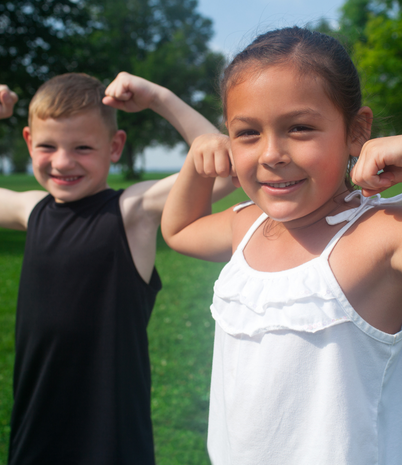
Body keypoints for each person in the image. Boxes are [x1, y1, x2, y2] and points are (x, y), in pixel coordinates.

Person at [161, 26, 402, 464]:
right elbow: (180, 230)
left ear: (357, 131)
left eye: (300, 127)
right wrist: (196, 166)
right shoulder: (248, 225)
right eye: (248, 134)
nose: (272, 153)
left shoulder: (382, 232)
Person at [0, 72, 233, 465]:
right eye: (47, 146)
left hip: (110, 438)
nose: (62, 161)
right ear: (27, 142)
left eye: (83, 147)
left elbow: (223, 168)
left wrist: (159, 96)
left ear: (115, 146)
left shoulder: (130, 212)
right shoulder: (31, 209)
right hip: (36, 425)